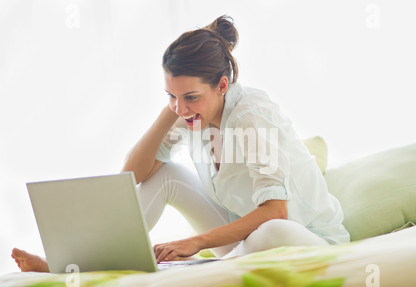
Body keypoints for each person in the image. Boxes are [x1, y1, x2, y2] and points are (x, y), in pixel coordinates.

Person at [12, 15, 349, 272]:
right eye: (171, 95)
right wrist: (171, 109)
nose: (181, 107)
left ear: (221, 85)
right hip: (245, 242)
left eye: (190, 96)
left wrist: (196, 243)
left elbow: (276, 211)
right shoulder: (189, 114)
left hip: (304, 239)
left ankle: (196, 267)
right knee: (167, 175)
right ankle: (75, 262)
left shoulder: (251, 115)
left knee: (275, 231)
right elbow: (131, 176)